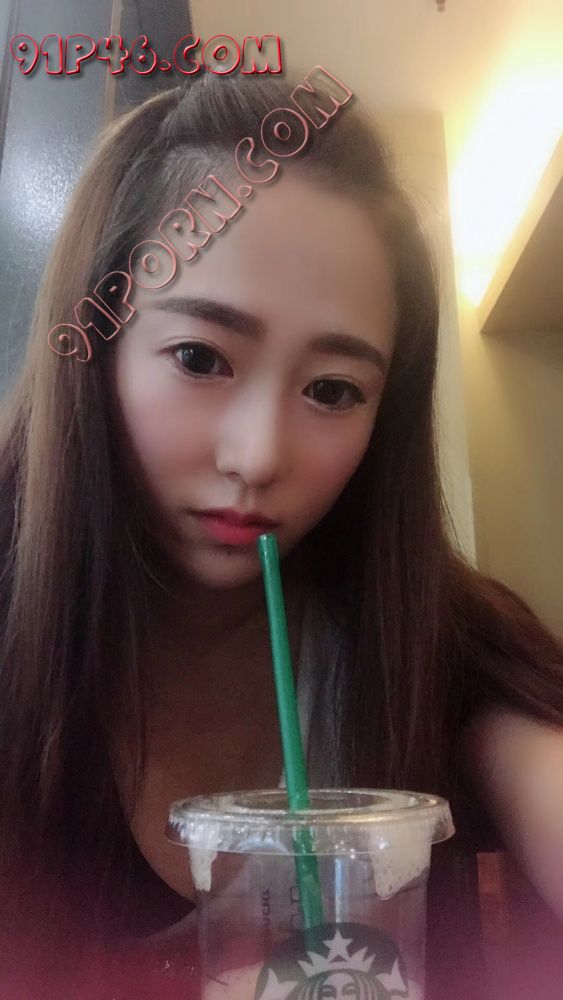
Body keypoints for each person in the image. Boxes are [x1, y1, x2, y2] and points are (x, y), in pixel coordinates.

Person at [0, 68, 562, 998]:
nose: (258, 456)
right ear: (94, 355)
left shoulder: (436, 642)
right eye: (199, 357)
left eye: (332, 390)